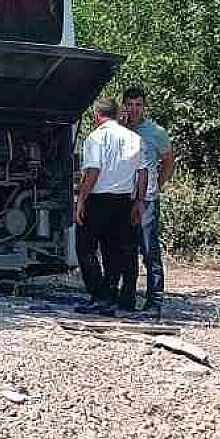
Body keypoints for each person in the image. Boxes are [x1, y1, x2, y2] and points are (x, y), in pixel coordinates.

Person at [73, 98, 146, 317]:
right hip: (123, 199)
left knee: (85, 248)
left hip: (98, 199)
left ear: (97, 115)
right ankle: (111, 293)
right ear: (116, 114)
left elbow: (93, 172)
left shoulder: (95, 138)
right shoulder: (134, 137)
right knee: (112, 249)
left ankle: (99, 295)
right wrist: (139, 201)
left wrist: (81, 200)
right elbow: (142, 172)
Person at [122, 86, 175, 314]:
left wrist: (157, 186)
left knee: (149, 250)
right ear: (124, 105)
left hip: (147, 201)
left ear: (145, 106)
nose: (134, 109)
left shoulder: (155, 132)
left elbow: (168, 161)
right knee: (126, 250)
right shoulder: (119, 130)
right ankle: (127, 297)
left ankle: (155, 300)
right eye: (130, 105)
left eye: (138, 105)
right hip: (123, 198)